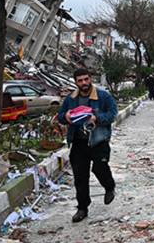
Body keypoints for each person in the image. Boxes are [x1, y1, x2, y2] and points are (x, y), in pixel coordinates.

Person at [57, 68, 117, 223]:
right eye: (80, 80)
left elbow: (112, 114)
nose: (84, 83)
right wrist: (66, 116)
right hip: (78, 142)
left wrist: (96, 118)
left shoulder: (103, 96)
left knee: (100, 168)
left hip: (98, 141)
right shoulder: (71, 99)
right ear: (76, 82)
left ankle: (109, 186)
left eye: (86, 79)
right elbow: (60, 116)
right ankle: (82, 208)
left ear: (90, 79)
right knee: (80, 177)